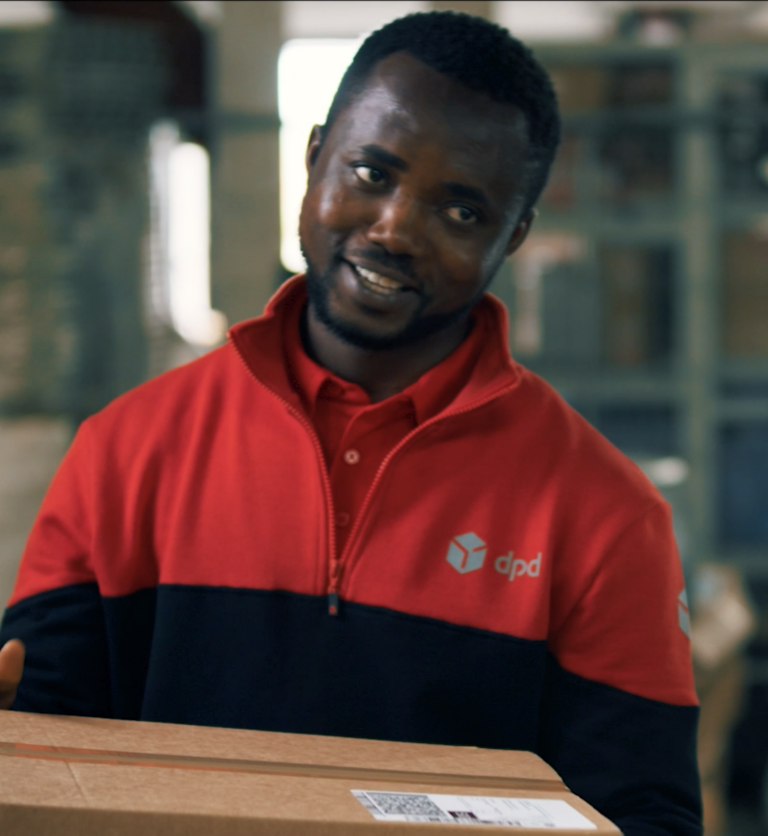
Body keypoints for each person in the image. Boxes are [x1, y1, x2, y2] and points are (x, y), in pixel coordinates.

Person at [0, 11, 700, 836]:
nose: (395, 227)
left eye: (461, 212)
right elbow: (42, 757)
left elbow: (640, 813)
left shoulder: (605, 515)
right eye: (371, 172)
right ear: (313, 156)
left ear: (513, 235)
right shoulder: (125, 451)